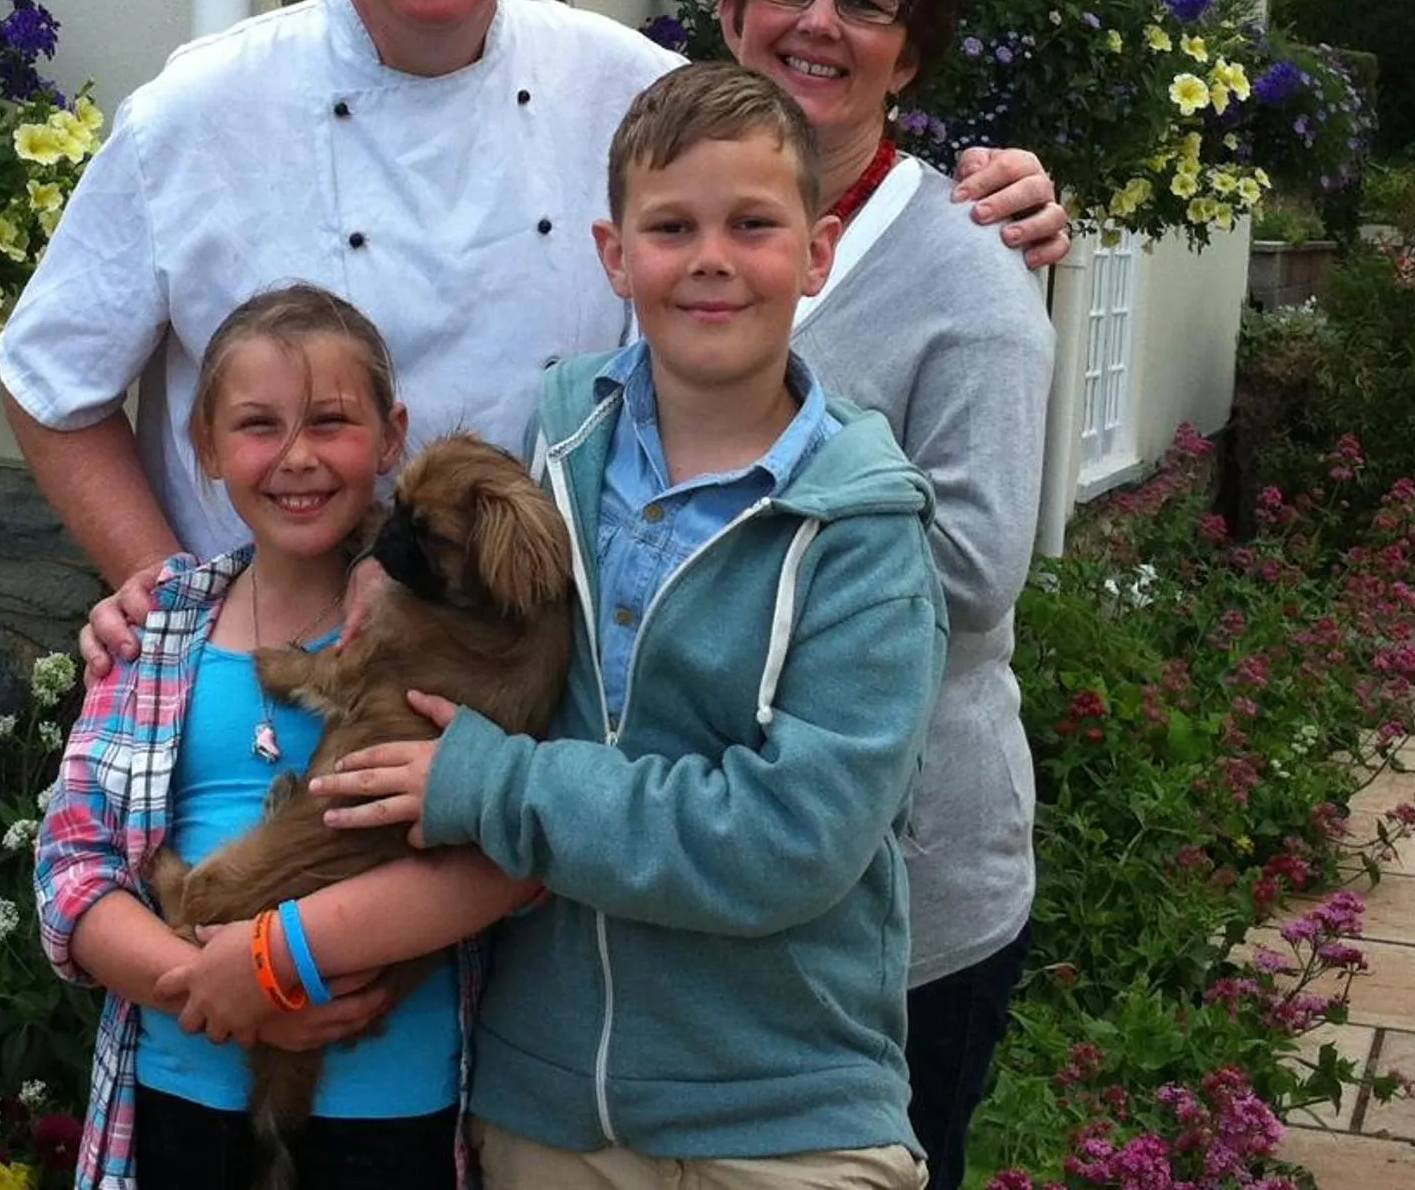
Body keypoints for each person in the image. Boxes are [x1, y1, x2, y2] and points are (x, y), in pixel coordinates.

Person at [0, 0, 1066, 613]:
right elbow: (52, 385)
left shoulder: (624, 86)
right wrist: (174, 594)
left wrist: (987, 193)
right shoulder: (192, 112)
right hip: (260, 662)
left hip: (532, 682)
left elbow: (803, 124)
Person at [308, 63, 947, 1190]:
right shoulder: (555, 446)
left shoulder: (862, 524)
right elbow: (430, 588)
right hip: (548, 1105)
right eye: (671, 226)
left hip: (786, 1114)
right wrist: (184, 604)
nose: (710, 257)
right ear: (615, 256)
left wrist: (495, 786)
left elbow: (791, 840)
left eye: (753, 224)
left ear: (817, 252)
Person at [714, 0, 1056, 1190]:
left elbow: (971, 572)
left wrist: (698, 541)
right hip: (696, 852)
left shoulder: (966, 269)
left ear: (908, 53)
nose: (817, 21)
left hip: (906, 882)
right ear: (734, 9)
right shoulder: (675, 219)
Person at [36, 285, 525, 1190]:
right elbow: (73, 868)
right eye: (259, 424)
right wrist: (210, 985)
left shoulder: (465, 634)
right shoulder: (156, 623)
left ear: (391, 437)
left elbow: (514, 855)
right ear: (207, 448)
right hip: (181, 1090)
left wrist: (273, 966)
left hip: (394, 1106)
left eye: (331, 420)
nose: (297, 456)